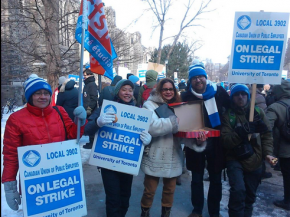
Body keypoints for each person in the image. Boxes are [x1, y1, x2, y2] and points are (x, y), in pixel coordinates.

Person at [2, 75, 87, 211]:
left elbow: (72, 136)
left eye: (46, 93)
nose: (43, 97)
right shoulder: (16, 119)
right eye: (37, 93)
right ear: (30, 96)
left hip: (61, 180)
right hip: (35, 185)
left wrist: (80, 122)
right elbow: (11, 155)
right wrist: (9, 185)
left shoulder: (59, 111)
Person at [140, 78, 207, 217]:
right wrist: (173, 122)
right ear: (159, 90)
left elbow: (183, 134)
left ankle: (166, 214)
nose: (168, 92)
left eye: (171, 89)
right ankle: (144, 213)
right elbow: (151, 127)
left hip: (173, 156)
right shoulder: (149, 105)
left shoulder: (179, 106)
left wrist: (198, 141)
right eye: (165, 89)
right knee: (149, 190)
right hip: (155, 154)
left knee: (170, 190)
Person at [84, 79, 152, 217]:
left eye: (130, 90)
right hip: (108, 163)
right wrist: (98, 122)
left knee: (124, 199)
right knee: (113, 199)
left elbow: (143, 134)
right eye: (124, 89)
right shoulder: (105, 108)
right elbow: (87, 129)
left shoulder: (139, 112)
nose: (127, 93)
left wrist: (147, 140)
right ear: (118, 91)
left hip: (127, 162)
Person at [181, 62, 230, 217]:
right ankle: (197, 209)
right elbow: (183, 121)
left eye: (200, 76)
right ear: (190, 81)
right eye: (194, 78)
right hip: (195, 143)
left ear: (205, 78)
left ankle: (214, 211)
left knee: (216, 178)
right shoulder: (185, 96)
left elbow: (230, 111)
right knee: (196, 178)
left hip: (216, 143)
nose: (198, 80)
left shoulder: (219, 92)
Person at [221, 84, 276, 217]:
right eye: (237, 94)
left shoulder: (258, 112)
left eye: (243, 94)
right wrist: (241, 132)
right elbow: (225, 140)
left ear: (248, 96)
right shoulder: (229, 115)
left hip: (255, 158)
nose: (240, 97)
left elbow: (267, 135)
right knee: (238, 191)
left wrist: (268, 154)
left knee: (250, 195)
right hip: (235, 159)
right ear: (232, 97)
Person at [266, 79, 290, 211]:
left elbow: (266, 128)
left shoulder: (275, 107)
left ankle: (287, 201)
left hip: (284, 149)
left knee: (287, 175)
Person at [83, 68, 99, 149]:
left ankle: (92, 142)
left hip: (91, 110)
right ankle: (90, 141)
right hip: (87, 108)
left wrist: (89, 108)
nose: (84, 77)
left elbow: (94, 98)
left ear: (89, 75)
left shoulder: (91, 85)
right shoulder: (87, 84)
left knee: (91, 125)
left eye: (85, 75)